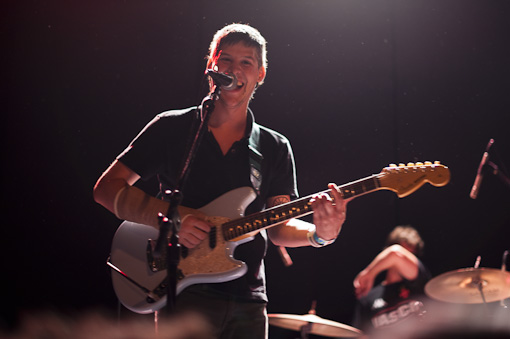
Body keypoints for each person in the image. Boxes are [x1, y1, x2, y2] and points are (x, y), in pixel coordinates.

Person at [93, 23, 348, 339]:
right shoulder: (172, 127)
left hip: (250, 300)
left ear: (261, 74)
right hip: (183, 291)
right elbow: (106, 189)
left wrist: (320, 234)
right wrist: (174, 218)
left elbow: (279, 226)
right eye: (226, 59)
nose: (234, 70)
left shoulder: (273, 147)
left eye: (246, 63)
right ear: (210, 65)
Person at [352, 225, 430, 335]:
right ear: (384, 253)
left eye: (410, 255)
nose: (406, 259)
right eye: (405, 252)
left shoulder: (420, 283)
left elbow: (396, 254)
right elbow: (361, 335)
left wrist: (369, 274)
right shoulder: (368, 297)